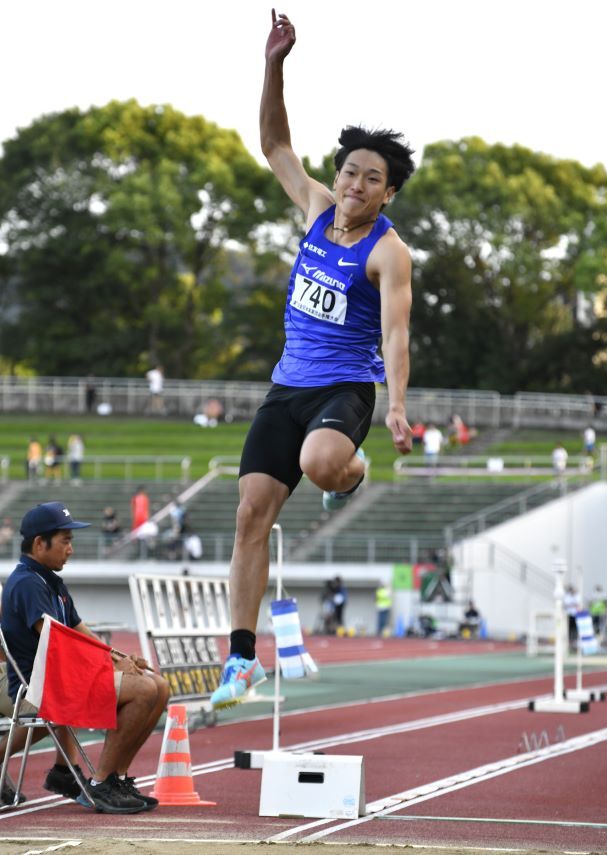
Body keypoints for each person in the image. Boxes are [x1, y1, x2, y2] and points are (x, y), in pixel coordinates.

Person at [210, 10, 415, 709]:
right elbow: (273, 143)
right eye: (349, 171)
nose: (355, 185)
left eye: (371, 179)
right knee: (248, 515)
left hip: (346, 386)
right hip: (286, 386)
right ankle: (241, 659)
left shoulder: (388, 252)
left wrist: (397, 409)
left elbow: (395, 336)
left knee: (321, 464)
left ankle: (351, 476)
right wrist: (275, 64)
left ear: (389, 193)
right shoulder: (316, 209)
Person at [0, 502, 169, 813]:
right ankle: (101, 782)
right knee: (144, 690)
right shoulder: (26, 583)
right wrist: (110, 664)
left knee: (159, 686)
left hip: (61, 679)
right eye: (65, 540)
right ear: (40, 543)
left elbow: (80, 631)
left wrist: (121, 658)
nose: (71, 549)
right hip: (41, 687)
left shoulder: (53, 583)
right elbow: (59, 643)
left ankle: (116, 777)